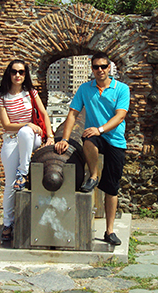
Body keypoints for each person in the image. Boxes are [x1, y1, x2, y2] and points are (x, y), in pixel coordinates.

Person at [54, 52, 130, 246]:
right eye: (96, 67)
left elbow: (120, 116)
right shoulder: (85, 89)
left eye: (103, 66)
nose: (100, 70)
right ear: (92, 69)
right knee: (88, 139)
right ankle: (94, 176)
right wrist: (64, 139)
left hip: (114, 139)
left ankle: (109, 231)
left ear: (109, 68)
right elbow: (73, 114)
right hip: (94, 136)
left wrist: (100, 129)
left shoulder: (121, 89)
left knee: (112, 188)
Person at [0, 59, 54, 242]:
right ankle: (7, 224)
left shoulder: (30, 92)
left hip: (31, 138)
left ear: (25, 74)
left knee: (26, 132)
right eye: (14, 72)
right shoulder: (2, 97)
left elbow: (44, 114)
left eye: (21, 72)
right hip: (12, 140)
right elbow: (6, 125)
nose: (17, 75)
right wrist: (26, 123)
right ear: (9, 74)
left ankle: (23, 172)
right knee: (9, 185)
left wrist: (50, 136)